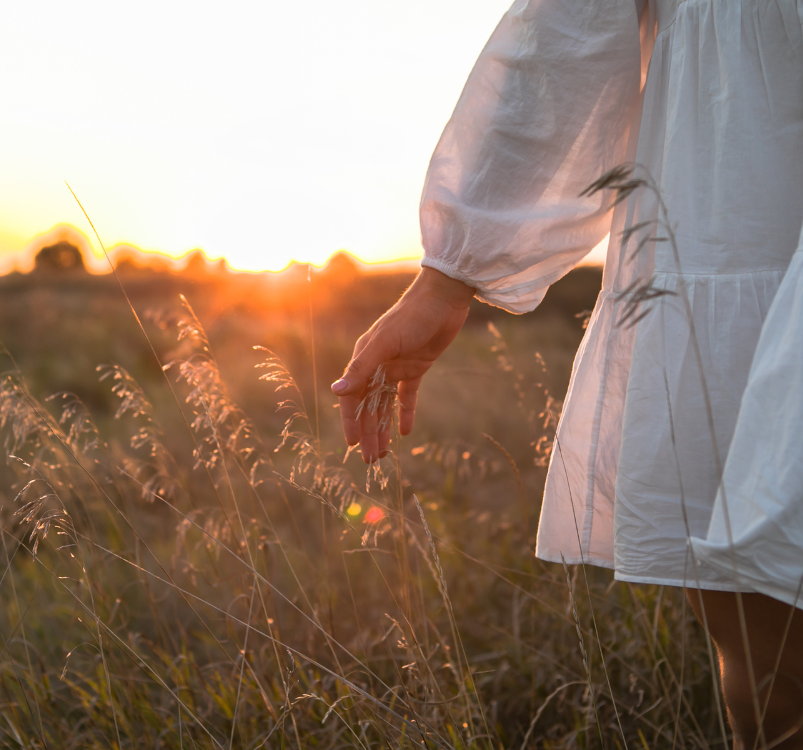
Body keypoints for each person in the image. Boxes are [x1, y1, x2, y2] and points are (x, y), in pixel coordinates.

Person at [331, 0, 803, 746]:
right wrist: (448, 277)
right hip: (739, 213)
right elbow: (569, 30)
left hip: (736, 229)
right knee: (768, 658)